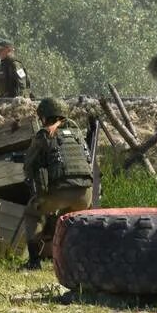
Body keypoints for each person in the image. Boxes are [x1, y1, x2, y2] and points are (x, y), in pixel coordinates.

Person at [23, 97, 94, 268]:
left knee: (33, 213)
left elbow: (29, 165)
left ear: (45, 117)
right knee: (67, 219)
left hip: (62, 191)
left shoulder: (45, 134)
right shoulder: (77, 134)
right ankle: (72, 260)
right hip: (86, 195)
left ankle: (34, 262)